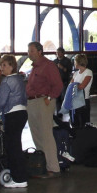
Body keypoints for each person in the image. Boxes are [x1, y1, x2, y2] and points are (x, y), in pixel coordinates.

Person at [25, 41, 63, 177]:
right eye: (29, 51)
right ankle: (43, 164)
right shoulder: (34, 67)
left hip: (43, 101)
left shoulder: (48, 66)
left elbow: (58, 85)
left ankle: (53, 167)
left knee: (46, 134)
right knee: (37, 134)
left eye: (31, 51)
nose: (29, 53)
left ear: (39, 51)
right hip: (32, 102)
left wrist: (50, 98)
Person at [0, 54, 28, 188]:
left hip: (12, 114)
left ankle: (19, 179)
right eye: (1, 65)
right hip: (22, 113)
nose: (1, 68)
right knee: (16, 146)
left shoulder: (7, 81)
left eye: (4, 65)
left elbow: (1, 101)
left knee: (12, 148)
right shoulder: (20, 79)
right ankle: (20, 176)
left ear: (11, 66)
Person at [71, 54, 93, 127]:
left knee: (84, 121)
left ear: (79, 62)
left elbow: (82, 86)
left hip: (84, 100)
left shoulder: (88, 72)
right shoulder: (76, 73)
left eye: (75, 61)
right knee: (75, 121)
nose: (74, 63)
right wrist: (75, 85)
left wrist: (74, 85)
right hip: (75, 100)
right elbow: (70, 85)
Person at [53, 47, 73, 114]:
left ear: (63, 53)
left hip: (64, 81)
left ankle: (67, 111)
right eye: (57, 53)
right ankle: (59, 113)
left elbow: (69, 71)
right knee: (57, 98)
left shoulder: (67, 61)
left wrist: (62, 67)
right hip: (56, 83)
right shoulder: (54, 61)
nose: (58, 54)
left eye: (59, 52)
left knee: (64, 97)